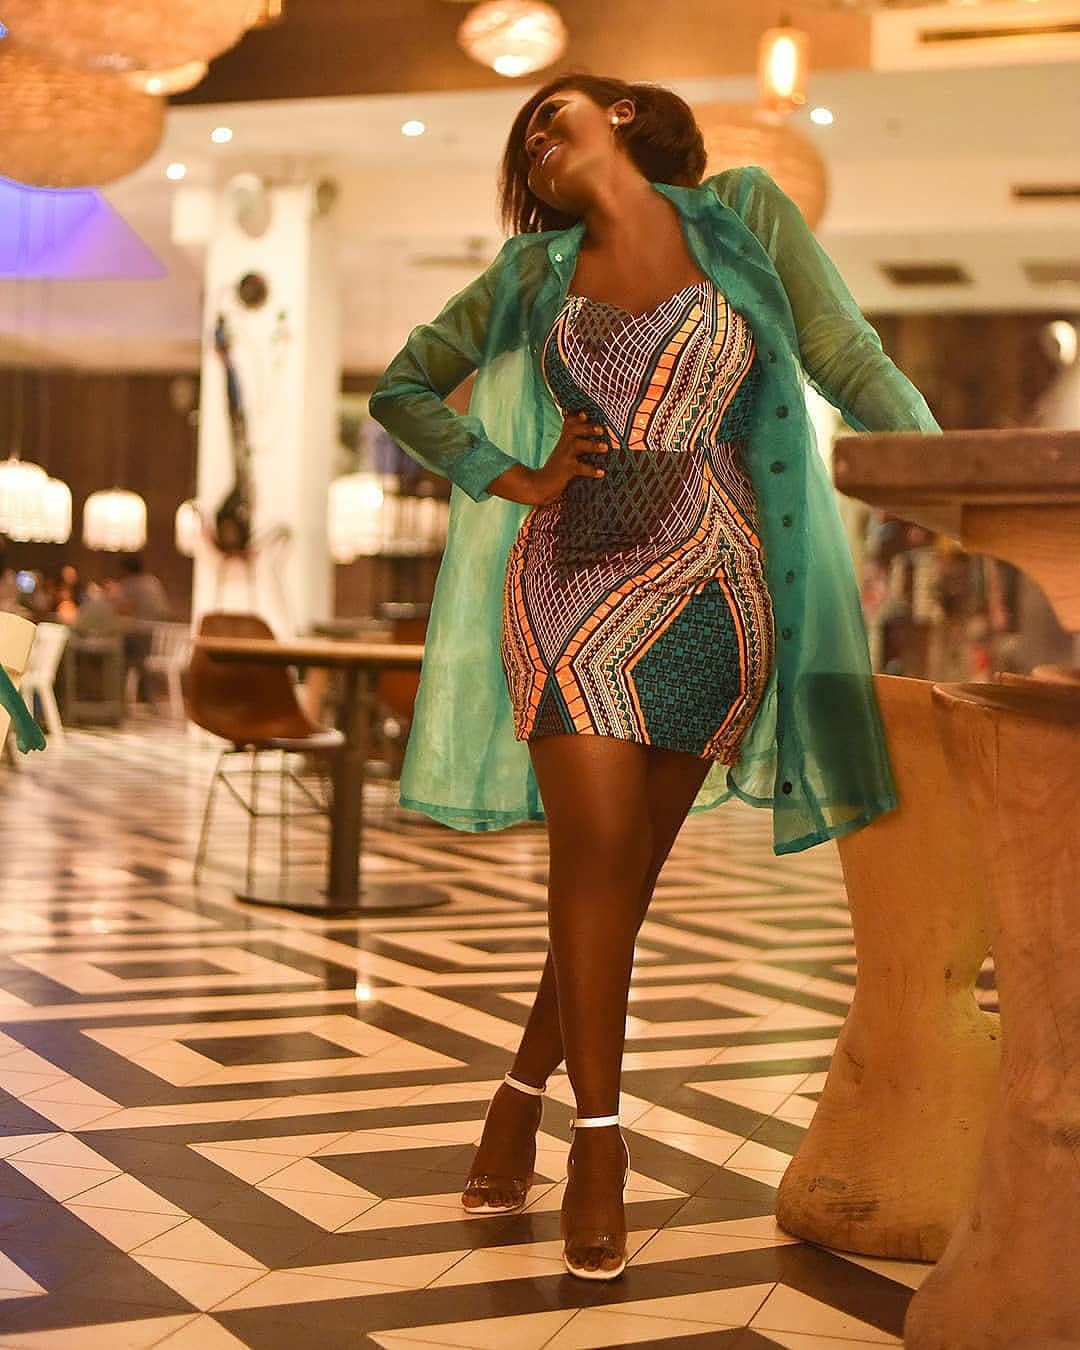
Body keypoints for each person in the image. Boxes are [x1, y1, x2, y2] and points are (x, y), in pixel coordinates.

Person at [369, 75, 939, 1282]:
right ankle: (600, 1146)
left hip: (720, 588)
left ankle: (519, 1093)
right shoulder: (532, 273)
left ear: (623, 115)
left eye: (553, 112)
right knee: (591, 856)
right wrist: (513, 473)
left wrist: (951, 477)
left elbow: (845, 354)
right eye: (524, 137)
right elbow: (403, 385)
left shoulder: (746, 213)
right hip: (569, 574)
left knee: (617, 879)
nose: (536, 136)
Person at [114, 554, 169, 703]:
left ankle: (118, 696)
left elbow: (123, 608)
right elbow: (163, 610)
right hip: (153, 635)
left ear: (125, 569)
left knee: (120, 658)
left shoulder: (130, 583)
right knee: (139, 661)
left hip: (137, 633)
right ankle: (145, 696)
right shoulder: (153, 582)